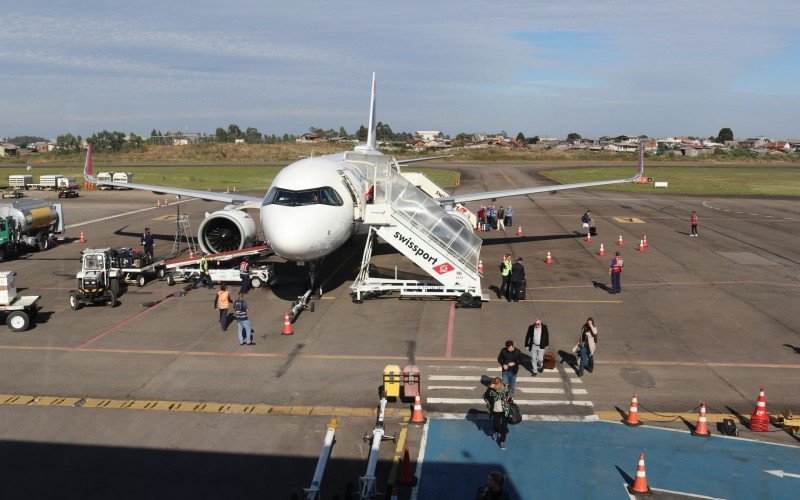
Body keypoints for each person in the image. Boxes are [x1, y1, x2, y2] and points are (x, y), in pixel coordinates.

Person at [482, 377, 511, 450]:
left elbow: (510, 397)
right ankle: (496, 431)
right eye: (495, 386)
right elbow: (485, 397)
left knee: (504, 426)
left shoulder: (507, 388)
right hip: (496, 410)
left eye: (498, 386)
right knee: (496, 424)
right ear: (494, 385)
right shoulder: (491, 390)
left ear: (501, 384)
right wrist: (489, 389)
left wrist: (508, 401)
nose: (497, 388)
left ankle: (502, 442)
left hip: (505, 409)